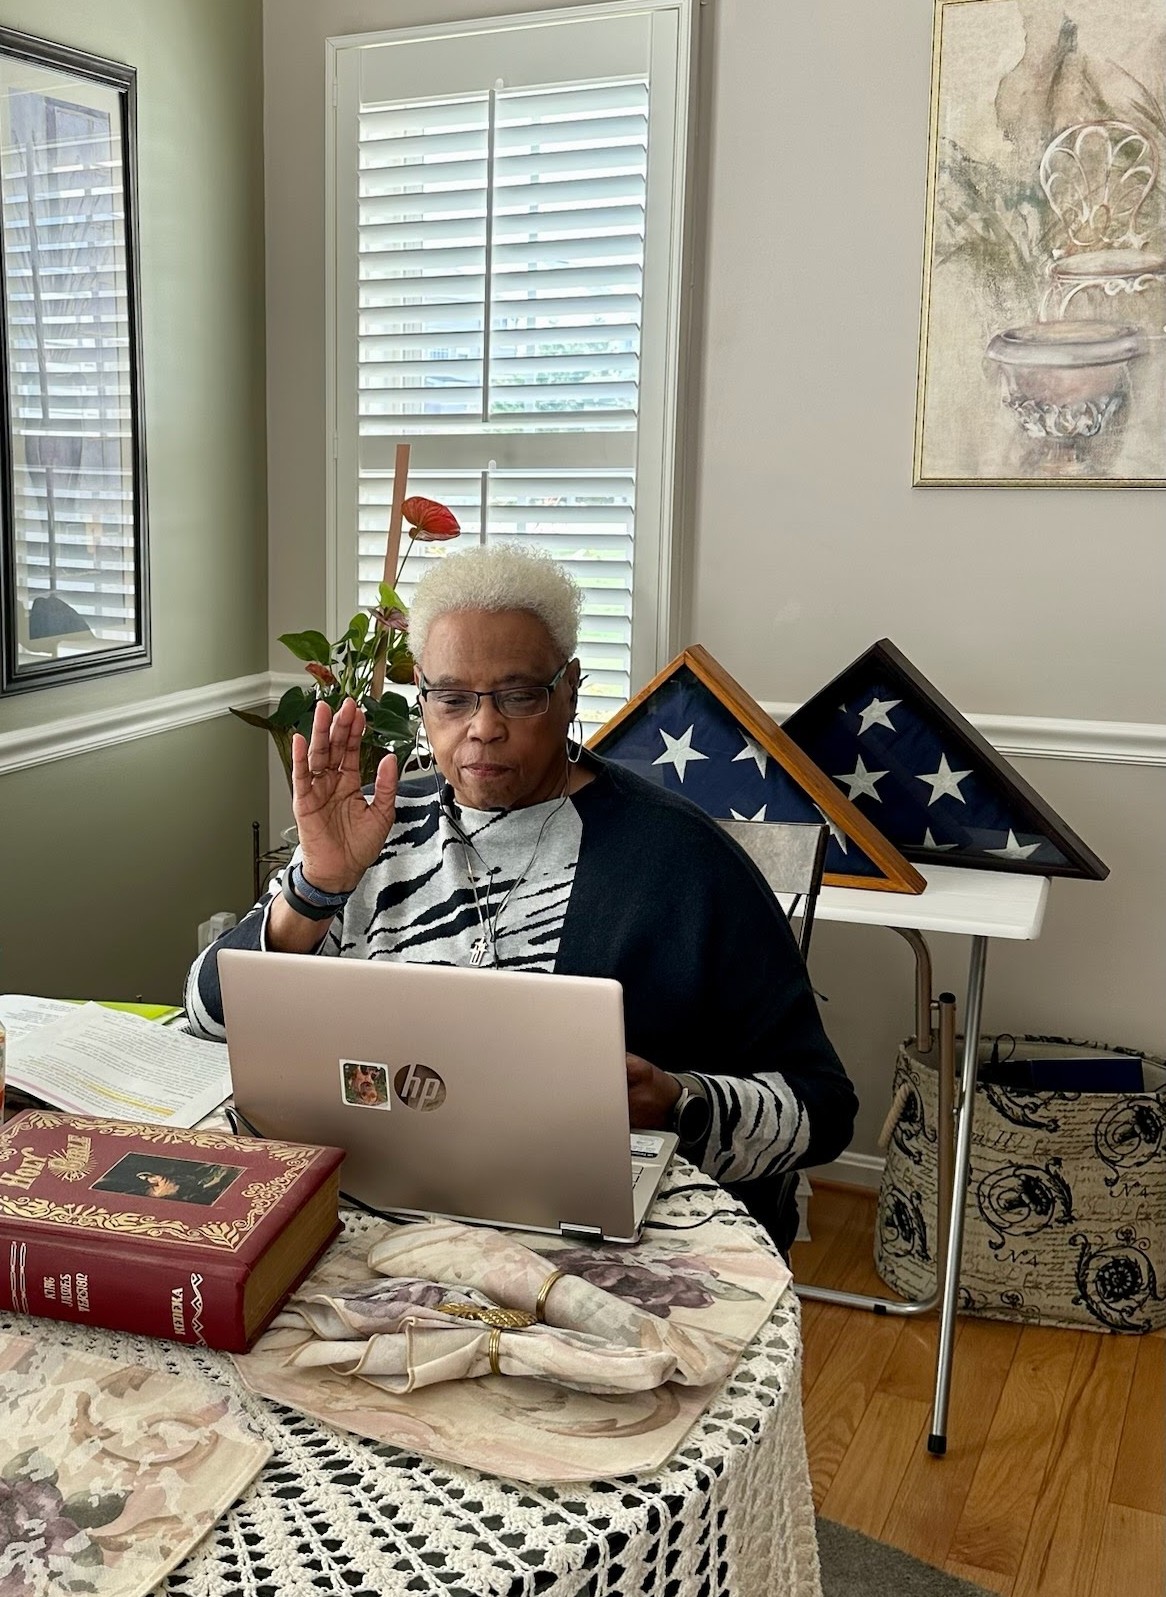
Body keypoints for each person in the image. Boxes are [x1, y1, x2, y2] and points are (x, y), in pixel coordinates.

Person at [186, 546, 857, 1251]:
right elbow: (206, 1015)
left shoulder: (684, 862)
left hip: (591, 1243)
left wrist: (681, 1101)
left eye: (517, 694)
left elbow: (825, 1107)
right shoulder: (370, 832)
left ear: (568, 690)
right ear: (424, 705)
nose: (482, 727)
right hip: (367, 1219)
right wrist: (317, 886)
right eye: (451, 698)